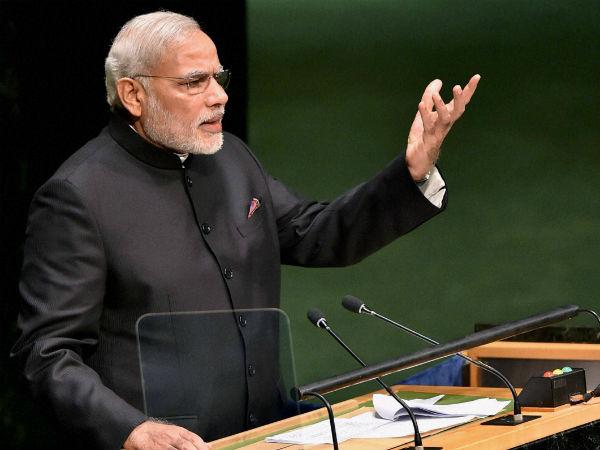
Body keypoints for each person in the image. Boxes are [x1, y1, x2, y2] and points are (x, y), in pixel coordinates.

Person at [11, 10, 480, 450]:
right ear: (134, 95)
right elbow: (47, 353)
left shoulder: (231, 158)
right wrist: (131, 429)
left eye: (219, 77)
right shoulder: (78, 196)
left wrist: (411, 173)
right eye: (195, 82)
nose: (219, 95)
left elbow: (317, 232)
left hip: (268, 436)